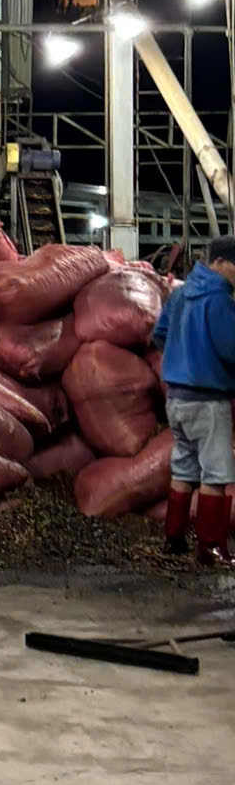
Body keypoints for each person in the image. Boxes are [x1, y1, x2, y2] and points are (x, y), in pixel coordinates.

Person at [150, 235, 235, 570]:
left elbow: (159, 334)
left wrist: (180, 356)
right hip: (209, 399)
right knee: (216, 473)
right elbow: (231, 348)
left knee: (184, 467)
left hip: (176, 399)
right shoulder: (220, 299)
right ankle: (211, 547)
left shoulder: (182, 293)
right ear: (221, 263)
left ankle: (174, 539)